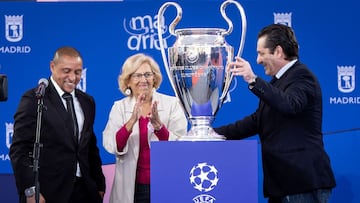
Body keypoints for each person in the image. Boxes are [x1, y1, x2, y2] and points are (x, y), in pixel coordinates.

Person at [214, 24, 336, 203]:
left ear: (278, 51)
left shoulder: (302, 76)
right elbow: (256, 121)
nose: (257, 60)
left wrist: (253, 79)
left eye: (261, 53)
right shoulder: (278, 83)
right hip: (282, 184)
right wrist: (212, 134)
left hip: (301, 184)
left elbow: (290, 105)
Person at [10, 46, 105, 203]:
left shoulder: (87, 101)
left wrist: (99, 185)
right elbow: (19, 149)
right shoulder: (34, 99)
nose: (72, 77)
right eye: (66, 71)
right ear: (52, 67)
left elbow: (90, 147)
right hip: (48, 192)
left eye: (77, 72)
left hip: (85, 191)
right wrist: (30, 190)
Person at [102, 53, 187, 203]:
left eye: (148, 74)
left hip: (166, 184)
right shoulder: (119, 107)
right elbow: (112, 145)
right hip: (132, 189)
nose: (143, 80)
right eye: (137, 75)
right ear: (128, 81)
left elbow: (181, 146)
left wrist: (159, 127)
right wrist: (131, 122)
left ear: (154, 78)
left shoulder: (172, 104)